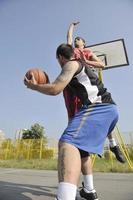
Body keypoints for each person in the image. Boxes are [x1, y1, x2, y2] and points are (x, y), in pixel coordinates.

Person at [24, 43, 119, 200]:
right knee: (80, 150)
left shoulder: (71, 64)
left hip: (99, 108)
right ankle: (89, 190)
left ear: (60, 57)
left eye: (58, 60)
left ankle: (65, 197)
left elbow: (55, 88)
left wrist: (35, 86)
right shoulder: (78, 66)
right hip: (105, 110)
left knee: (67, 143)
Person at [66, 21, 125, 164]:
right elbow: (68, 37)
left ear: (84, 43)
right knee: (73, 118)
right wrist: (72, 26)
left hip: (87, 85)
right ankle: (84, 147)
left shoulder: (87, 53)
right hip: (73, 86)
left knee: (102, 111)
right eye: (75, 39)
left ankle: (112, 144)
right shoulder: (72, 52)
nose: (76, 40)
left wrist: (86, 62)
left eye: (79, 39)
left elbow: (102, 65)